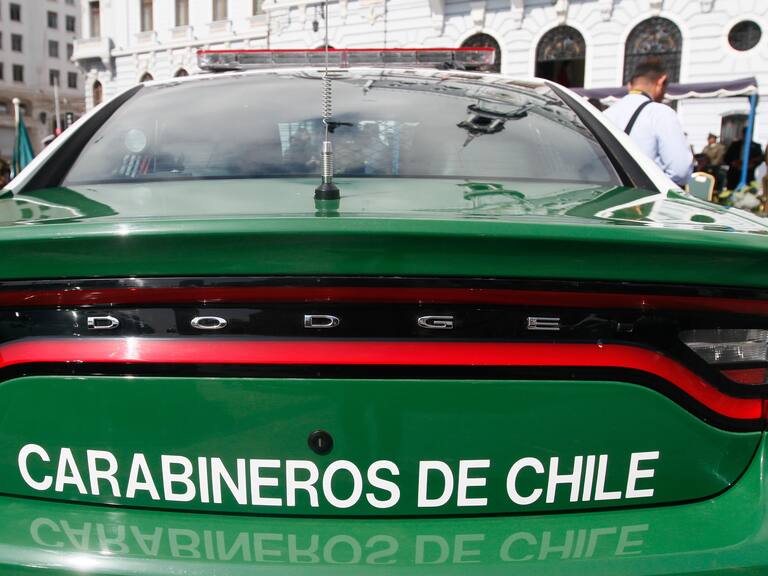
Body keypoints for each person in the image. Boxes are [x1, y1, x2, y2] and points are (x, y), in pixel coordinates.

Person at [604, 58, 693, 186]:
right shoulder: (660, 113)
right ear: (661, 81)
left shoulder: (605, 114)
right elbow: (681, 171)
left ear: (630, 85)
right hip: (644, 199)